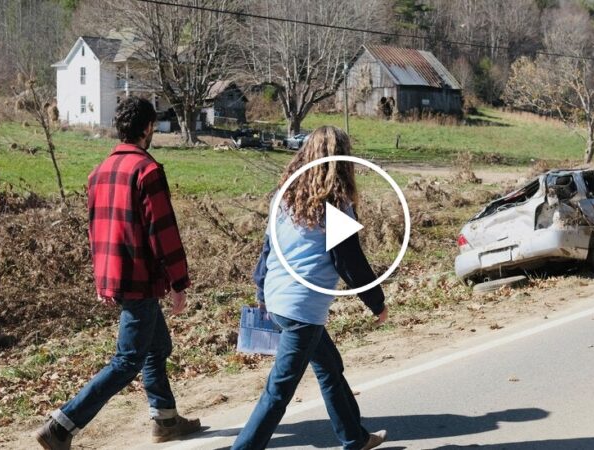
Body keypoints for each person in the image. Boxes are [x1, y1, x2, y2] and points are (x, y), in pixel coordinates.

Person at [34, 97, 200, 449]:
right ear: (148, 128)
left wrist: (102, 280)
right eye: (153, 125)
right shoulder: (147, 171)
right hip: (140, 280)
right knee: (127, 361)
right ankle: (62, 426)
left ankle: (166, 420)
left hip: (116, 277)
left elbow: (97, 231)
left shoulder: (100, 171)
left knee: (158, 346)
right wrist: (179, 282)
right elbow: (163, 232)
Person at [233, 126, 388, 450]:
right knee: (278, 392)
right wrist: (377, 302)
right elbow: (350, 263)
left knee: (330, 366)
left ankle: (354, 437)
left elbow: (267, 250)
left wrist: (262, 293)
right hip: (302, 311)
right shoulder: (337, 206)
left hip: (279, 300)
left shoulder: (285, 198)